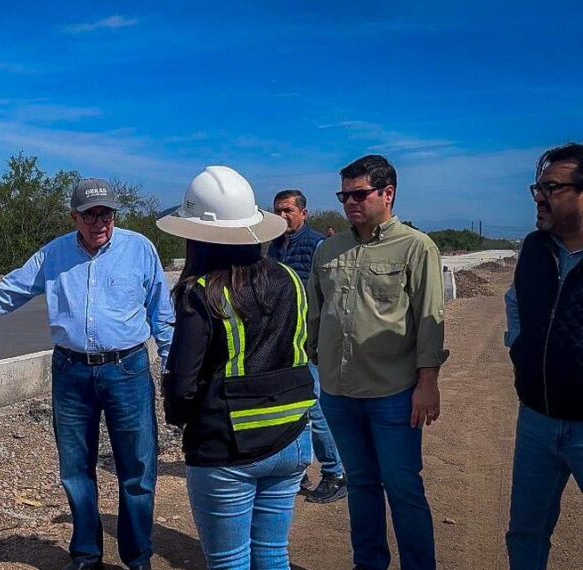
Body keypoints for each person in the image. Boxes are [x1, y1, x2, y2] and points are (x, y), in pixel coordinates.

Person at [0, 178, 174, 570]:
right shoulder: (54, 255)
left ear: (114, 215)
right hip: (71, 372)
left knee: (137, 469)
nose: (99, 222)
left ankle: (138, 558)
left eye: (106, 213)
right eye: (90, 215)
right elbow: (8, 291)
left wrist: (172, 368)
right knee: (75, 469)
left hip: (128, 369)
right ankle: (86, 555)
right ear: (75, 217)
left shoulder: (140, 249)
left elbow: (162, 314)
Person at [158, 166, 315, 570]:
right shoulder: (289, 279)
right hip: (293, 433)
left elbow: (182, 382)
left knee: (229, 560)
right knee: (273, 554)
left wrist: (180, 418)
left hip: (227, 444)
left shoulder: (201, 292)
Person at [307, 155, 448, 570]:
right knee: (362, 484)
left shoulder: (415, 246)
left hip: (393, 393)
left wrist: (428, 382)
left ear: (388, 193)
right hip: (338, 392)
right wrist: (312, 362)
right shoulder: (328, 249)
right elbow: (316, 313)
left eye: (359, 193)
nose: (350, 201)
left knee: (403, 487)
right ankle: (368, 563)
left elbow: (429, 319)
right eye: (344, 194)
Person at [504, 143, 583, 570]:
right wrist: (519, 347)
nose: (539, 197)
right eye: (538, 186)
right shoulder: (535, 248)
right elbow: (514, 300)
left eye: (551, 187)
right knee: (526, 534)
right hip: (537, 418)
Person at [267, 189, 347, 504]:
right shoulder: (272, 247)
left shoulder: (317, 246)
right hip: (279, 341)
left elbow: (328, 296)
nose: (283, 216)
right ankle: (297, 470)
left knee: (312, 405)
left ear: (303, 213)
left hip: (307, 341)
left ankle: (335, 471)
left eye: (288, 210)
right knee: (288, 406)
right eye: (278, 211)